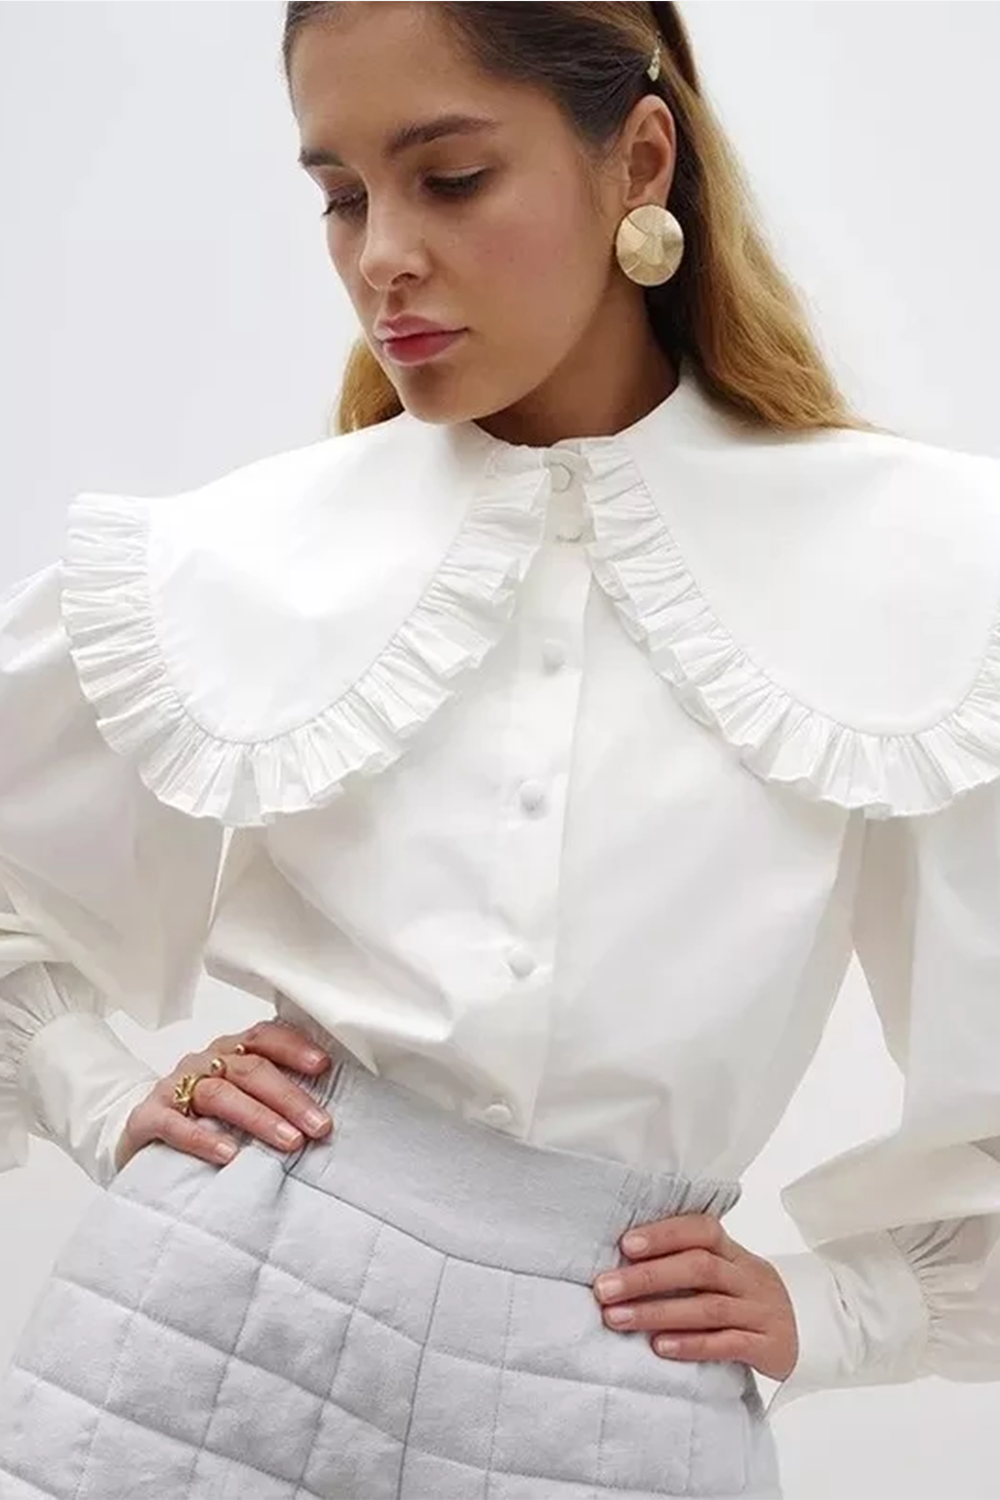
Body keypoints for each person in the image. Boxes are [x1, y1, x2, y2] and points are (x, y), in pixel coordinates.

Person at [1, 2, 999, 1495]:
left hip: (616, 1381)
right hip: (199, 1337)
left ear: (640, 160)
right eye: (341, 197)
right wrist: (91, 1086)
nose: (381, 255)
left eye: (451, 178)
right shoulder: (244, 550)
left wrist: (855, 1307)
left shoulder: (928, 567)